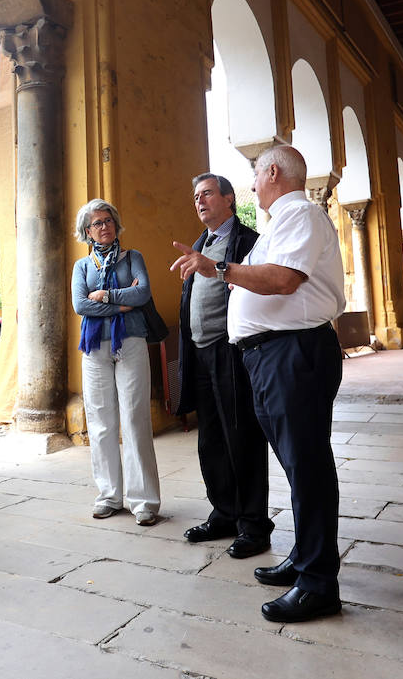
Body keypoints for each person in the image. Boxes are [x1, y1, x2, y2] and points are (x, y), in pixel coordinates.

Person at [172, 144, 345, 623]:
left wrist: (221, 268)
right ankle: (306, 559)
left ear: (272, 171)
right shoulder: (282, 222)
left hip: (293, 352)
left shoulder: (301, 215)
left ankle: (318, 584)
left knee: (307, 465)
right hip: (271, 355)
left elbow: (285, 280)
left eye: (254, 173)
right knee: (295, 463)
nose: (251, 184)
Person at [174, 173, 272, 559]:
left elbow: (257, 287)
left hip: (231, 351)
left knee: (242, 436)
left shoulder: (248, 241)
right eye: (196, 196)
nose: (200, 201)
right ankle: (224, 513)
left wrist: (210, 265)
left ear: (229, 199)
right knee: (210, 437)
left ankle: (254, 525)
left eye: (208, 194)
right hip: (200, 352)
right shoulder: (200, 242)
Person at [71, 198, 161, 526]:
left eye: (108, 220)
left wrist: (107, 296)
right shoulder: (82, 267)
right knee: (100, 421)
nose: (104, 226)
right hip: (95, 347)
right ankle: (109, 495)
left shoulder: (133, 258)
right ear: (87, 231)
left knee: (135, 419)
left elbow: (144, 294)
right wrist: (124, 304)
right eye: (97, 223)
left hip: (132, 342)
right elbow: (81, 304)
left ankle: (144, 502)